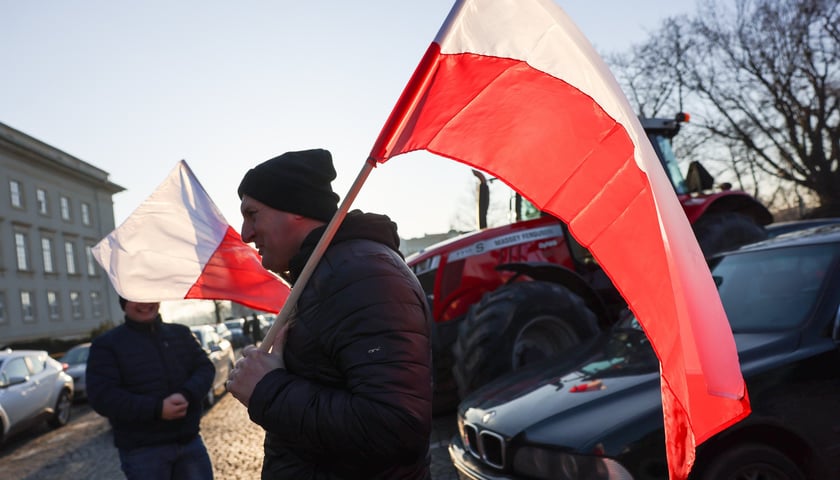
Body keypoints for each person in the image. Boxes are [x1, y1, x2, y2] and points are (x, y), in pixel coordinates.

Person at [226, 148, 433, 479]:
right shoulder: (329, 273)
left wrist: (269, 388)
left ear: (294, 209)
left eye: (252, 214)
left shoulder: (361, 275)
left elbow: (396, 427)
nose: (245, 233)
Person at [86, 297, 216, 480]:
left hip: (189, 442)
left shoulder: (181, 333)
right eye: (135, 298)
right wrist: (157, 409)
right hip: (142, 452)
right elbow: (102, 396)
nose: (144, 303)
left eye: (149, 296)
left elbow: (205, 368)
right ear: (124, 303)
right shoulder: (106, 345)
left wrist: (187, 394)